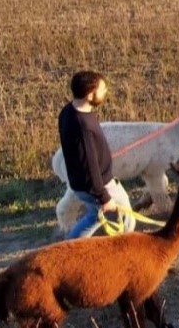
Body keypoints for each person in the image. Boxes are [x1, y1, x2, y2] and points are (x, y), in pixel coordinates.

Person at [58, 70, 135, 239]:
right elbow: (89, 164)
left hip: (84, 183)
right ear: (89, 94)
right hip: (99, 185)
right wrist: (104, 197)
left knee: (95, 216)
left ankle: (70, 246)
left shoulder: (68, 111)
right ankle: (126, 246)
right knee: (125, 215)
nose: (105, 92)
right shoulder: (82, 125)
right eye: (102, 90)